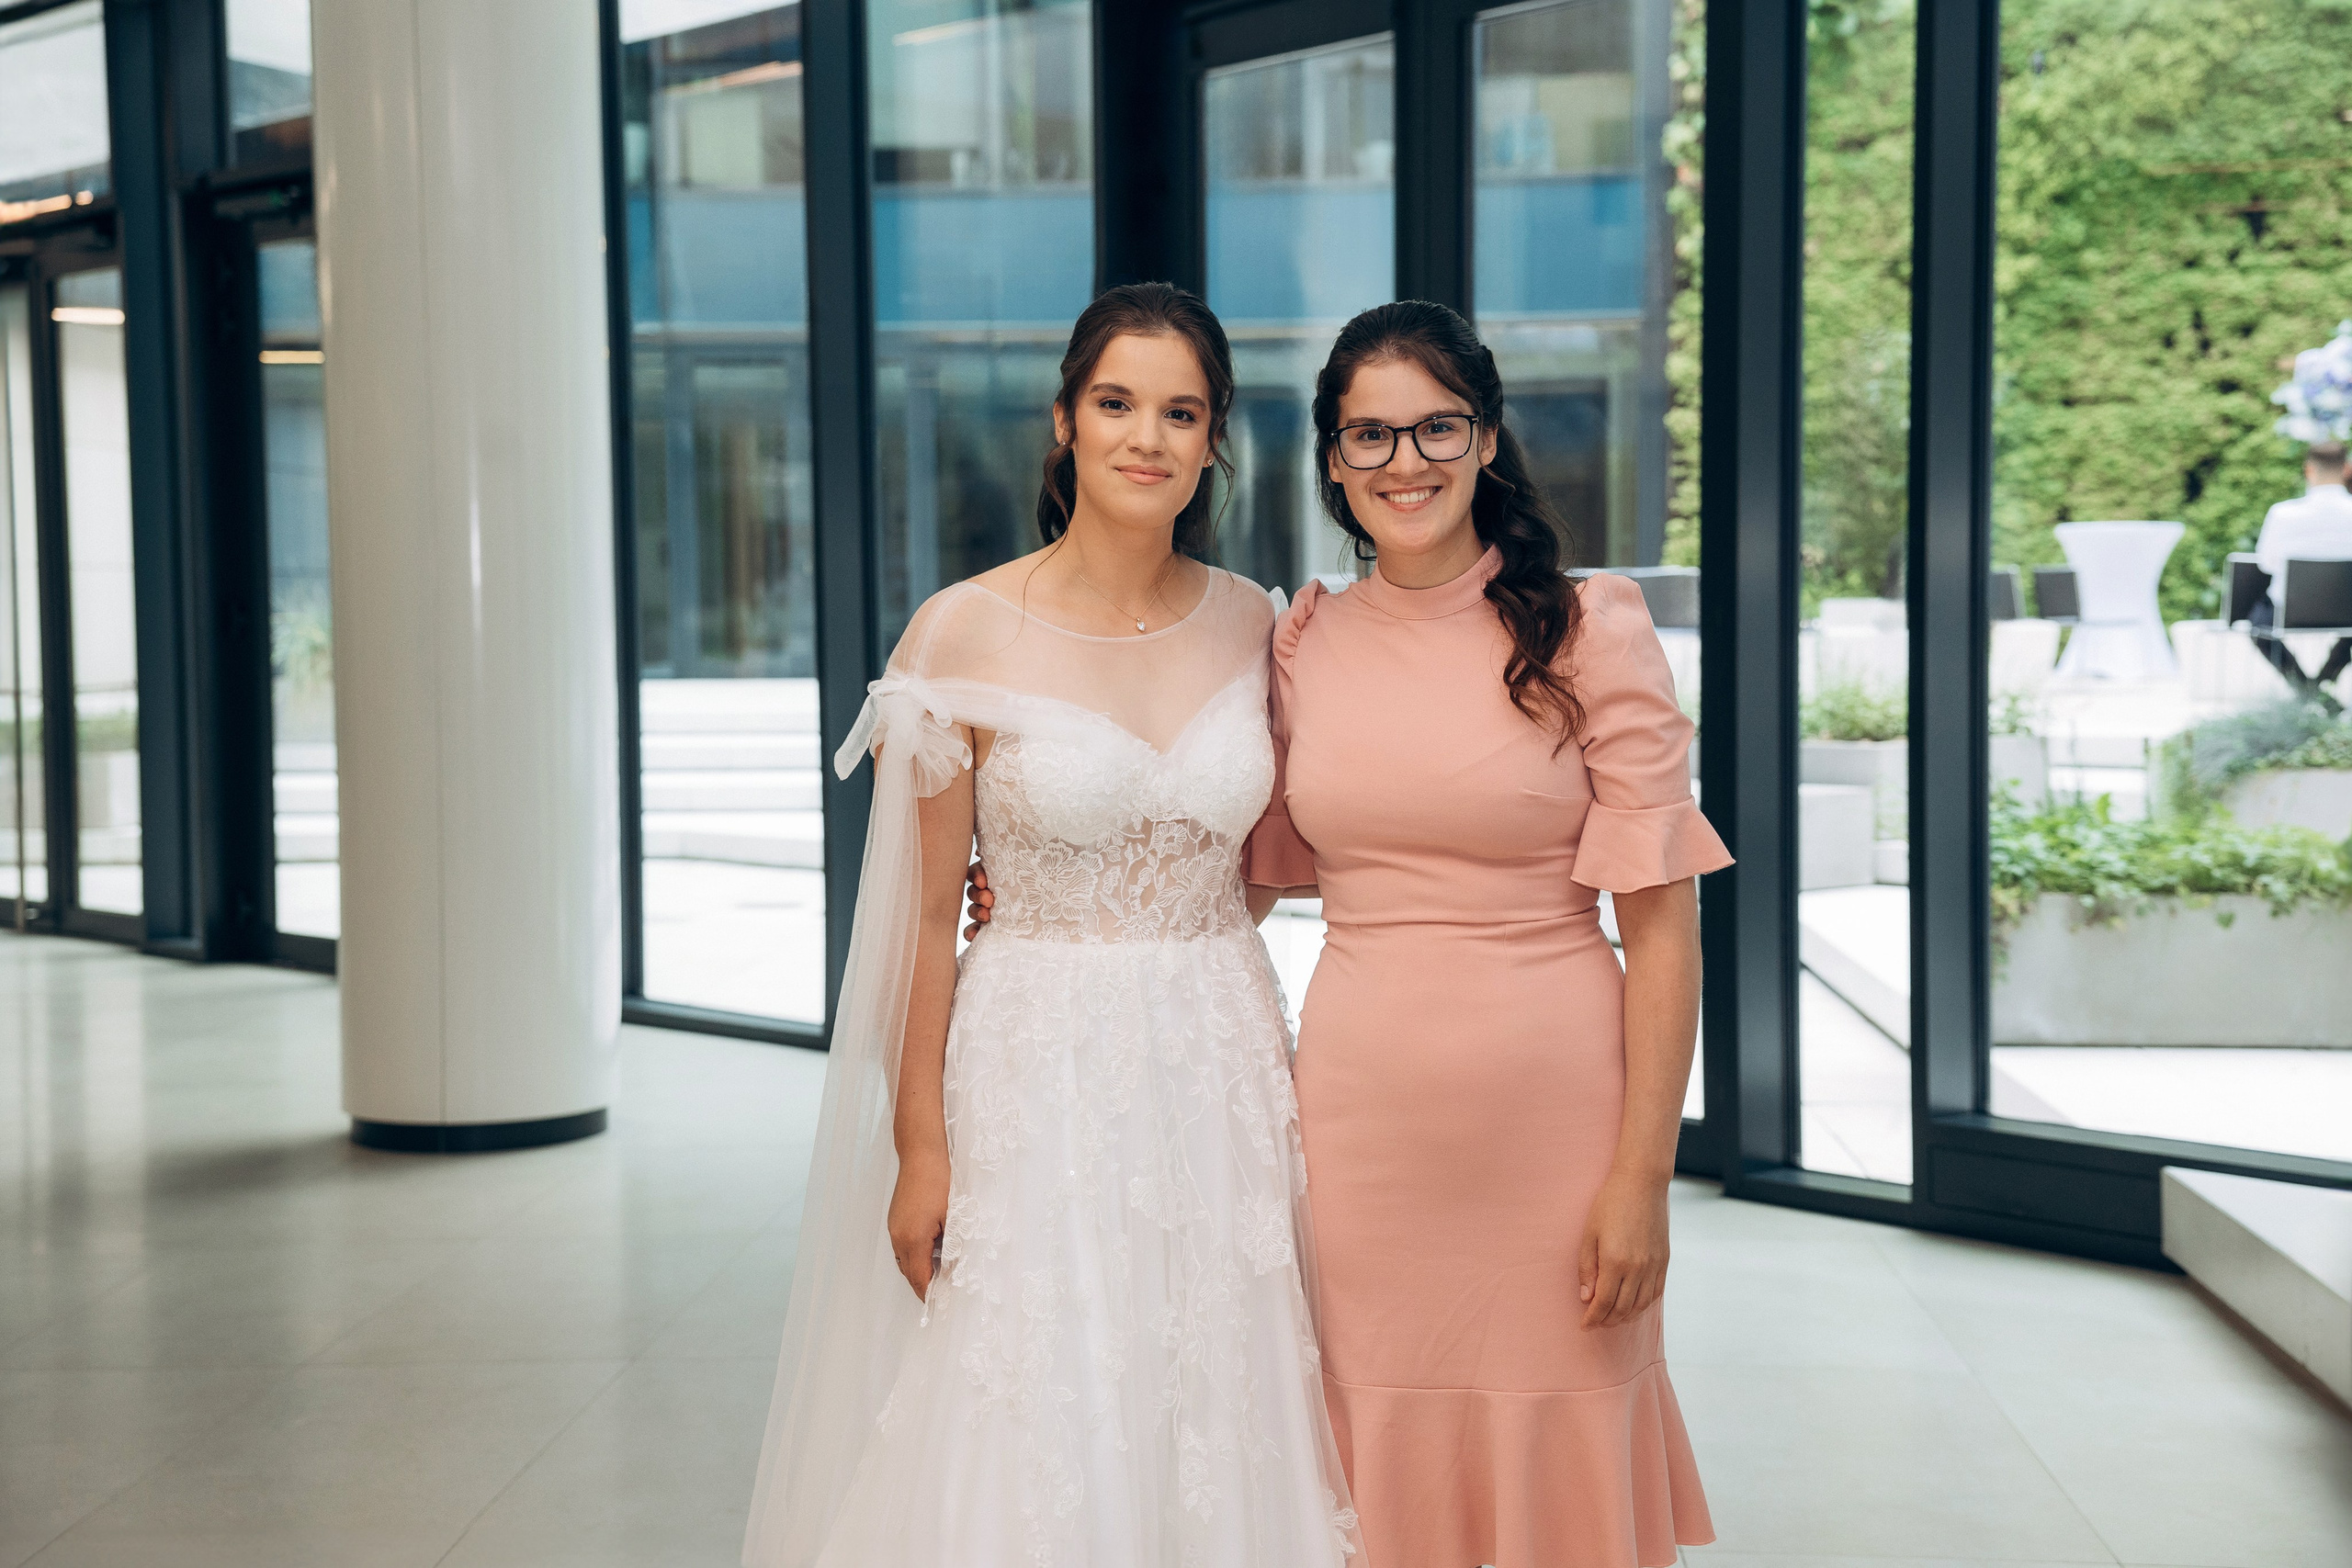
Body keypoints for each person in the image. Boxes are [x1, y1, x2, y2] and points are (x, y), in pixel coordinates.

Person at [741, 282, 1360, 1568]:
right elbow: (919, 918)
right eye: (1119, 402)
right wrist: (922, 1147)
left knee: (1218, 1381)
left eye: (1181, 411)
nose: (1149, 437)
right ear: (1065, 423)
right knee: (1042, 1392)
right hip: (1035, 1060)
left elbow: (1254, 858)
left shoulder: (1262, 623)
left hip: (1220, 1051)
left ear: (1213, 440)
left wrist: (1183, 939)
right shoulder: (963, 629)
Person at [1248, 301, 1723, 1567]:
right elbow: (1247, 874)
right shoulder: (1302, 641)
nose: (1404, 461)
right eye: (1369, 435)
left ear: (1488, 437)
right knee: (1369, 1461)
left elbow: (1665, 925)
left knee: (1559, 1457)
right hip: (1358, 1130)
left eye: (1435, 426)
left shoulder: (1590, 626)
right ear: (1334, 460)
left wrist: (1642, 1178)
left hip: (1557, 1127)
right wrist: (1055, 906)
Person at [2248, 437, 2352, 699]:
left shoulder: (2283, 514)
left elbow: (2266, 563)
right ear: (2347, 468)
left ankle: (2306, 691)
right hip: (2348, 612)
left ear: (2308, 469)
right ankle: (2321, 687)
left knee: (2258, 622)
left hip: (2289, 612)